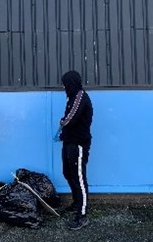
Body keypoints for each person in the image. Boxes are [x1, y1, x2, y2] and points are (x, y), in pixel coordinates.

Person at [58, 70, 93, 230]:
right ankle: (77, 202)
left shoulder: (80, 96)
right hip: (68, 142)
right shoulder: (72, 97)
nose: (64, 86)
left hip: (78, 143)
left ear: (71, 83)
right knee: (67, 172)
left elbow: (70, 118)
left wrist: (62, 121)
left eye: (65, 83)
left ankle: (82, 215)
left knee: (79, 177)